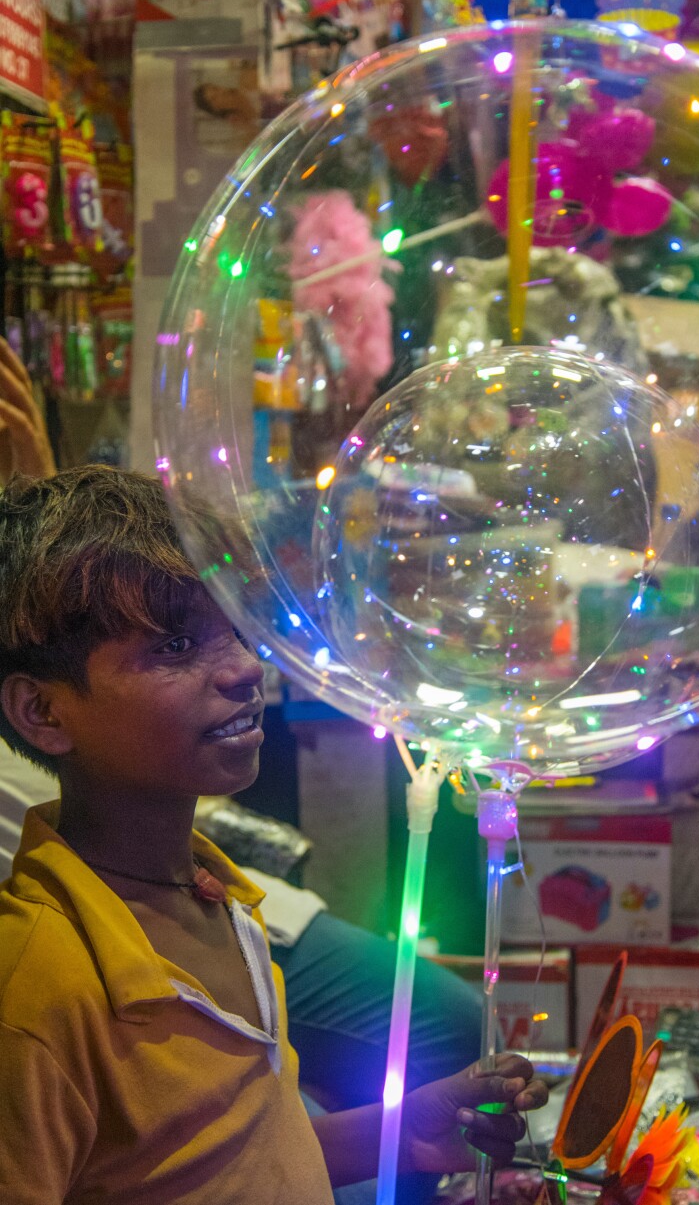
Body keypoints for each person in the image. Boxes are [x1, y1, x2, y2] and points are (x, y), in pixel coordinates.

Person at [0, 344, 486, 1204]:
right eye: (178, 645)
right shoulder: (40, 992)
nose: (244, 669)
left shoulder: (223, 901)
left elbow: (237, 1146)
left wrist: (398, 1132)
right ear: (42, 712)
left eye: (236, 629)